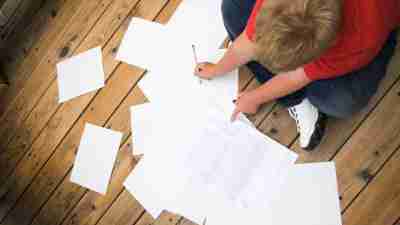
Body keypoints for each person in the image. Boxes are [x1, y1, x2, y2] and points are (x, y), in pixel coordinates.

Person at [194, 0, 399, 151]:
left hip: (379, 22)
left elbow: (297, 76)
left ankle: (299, 98)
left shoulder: (357, 40)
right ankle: (298, 99)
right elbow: (248, 44)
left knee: (340, 101)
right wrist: (218, 68)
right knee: (233, 8)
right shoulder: (281, 6)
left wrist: (255, 97)